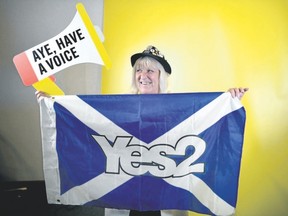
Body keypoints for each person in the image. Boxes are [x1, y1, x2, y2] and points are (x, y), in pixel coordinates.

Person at [36, 45, 248, 216]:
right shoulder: (118, 108)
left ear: (160, 76)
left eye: (150, 70)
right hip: (124, 198)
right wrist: (52, 104)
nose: (143, 75)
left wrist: (228, 100)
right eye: (139, 69)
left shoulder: (181, 109)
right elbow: (86, 120)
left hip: (164, 199)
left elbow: (207, 116)